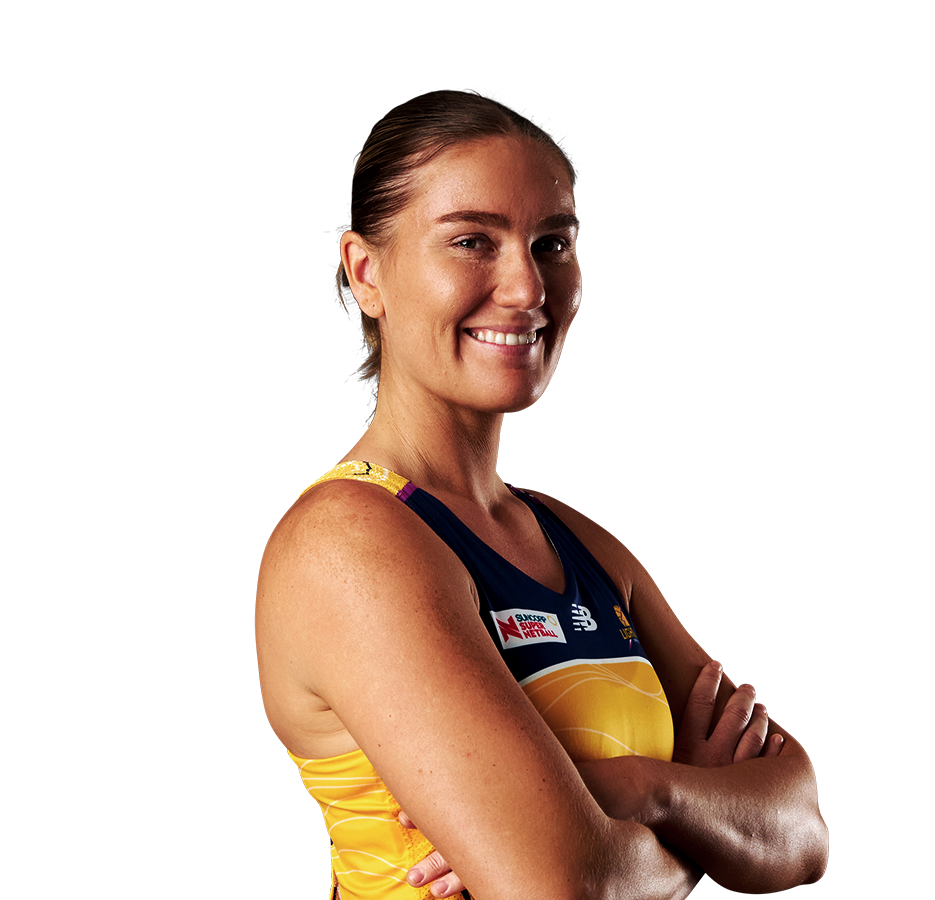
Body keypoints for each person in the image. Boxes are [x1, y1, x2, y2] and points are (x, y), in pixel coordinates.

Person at [255, 91, 828, 900]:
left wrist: (641, 791)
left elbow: (801, 832)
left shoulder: (581, 542)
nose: (528, 287)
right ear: (366, 273)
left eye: (551, 243)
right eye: (471, 241)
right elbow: (562, 886)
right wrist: (705, 823)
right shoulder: (347, 541)